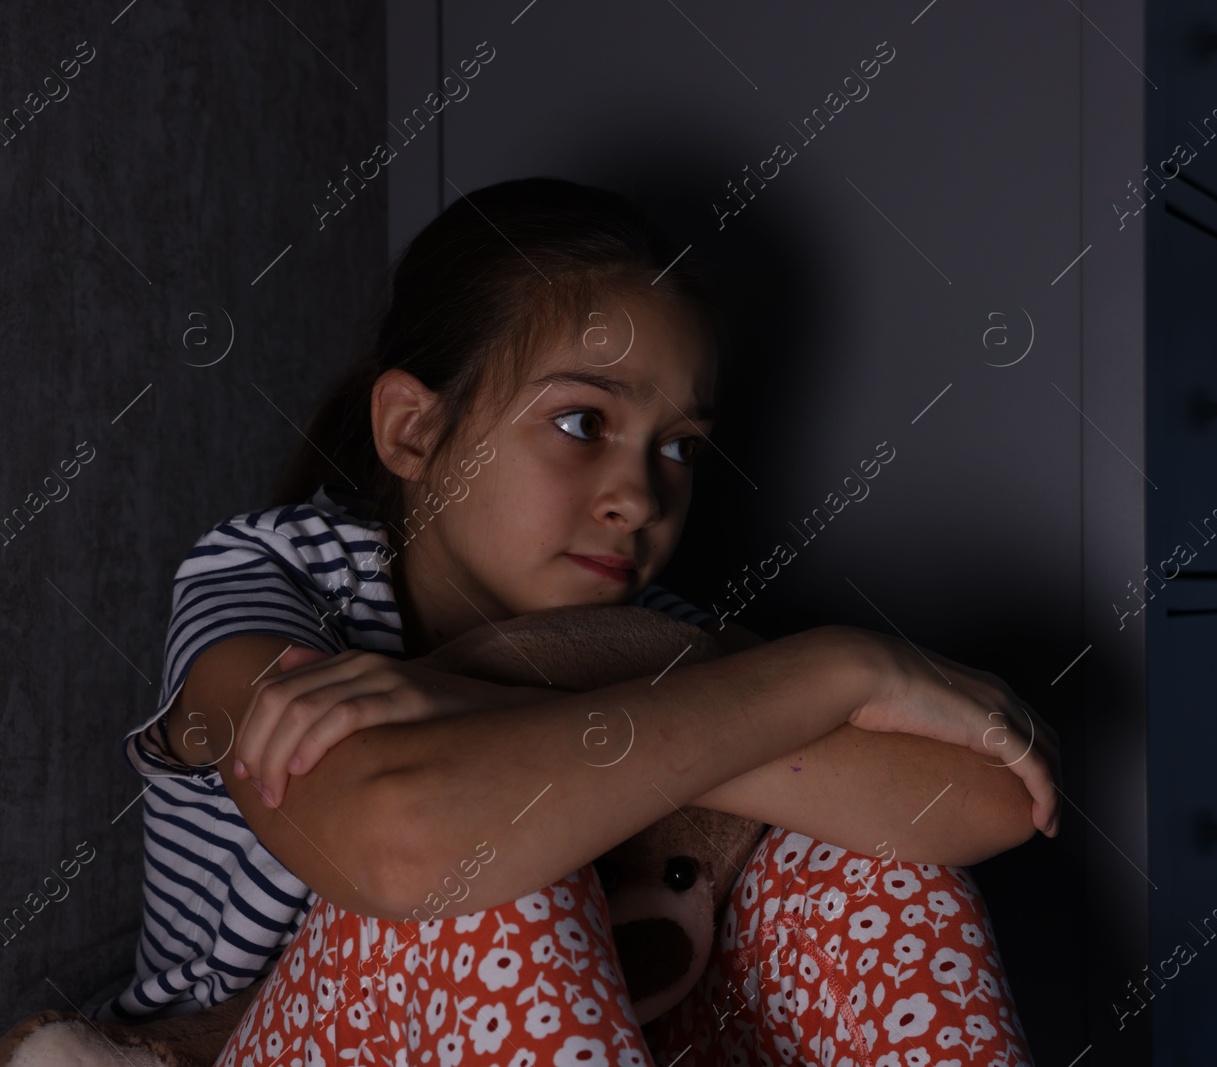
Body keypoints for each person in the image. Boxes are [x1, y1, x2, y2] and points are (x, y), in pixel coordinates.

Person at [100, 177, 1060, 1067]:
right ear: (414, 431)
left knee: (868, 868)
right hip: (246, 1045)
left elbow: (992, 799)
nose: (640, 498)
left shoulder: (655, 630)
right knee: (493, 853)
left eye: (680, 447)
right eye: (582, 423)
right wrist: (837, 671)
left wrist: (470, 695)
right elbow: (398, 842)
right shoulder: (275, 576)